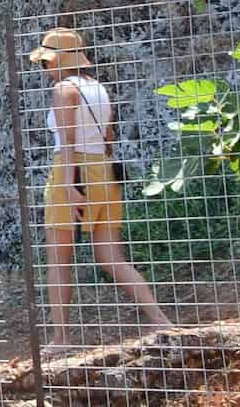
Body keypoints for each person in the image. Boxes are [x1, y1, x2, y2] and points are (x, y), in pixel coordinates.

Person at [29, 26, 172, 355]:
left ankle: (62, 339)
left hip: (73, 172)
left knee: (59, 258)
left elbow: (66, 142)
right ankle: (159, 317)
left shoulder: (64, 90)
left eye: (48, 61)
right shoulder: (99, 89)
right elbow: (108, 138)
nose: (46, 68)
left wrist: (68, 184)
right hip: (103, 172)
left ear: (62, 60)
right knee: (110, 256)